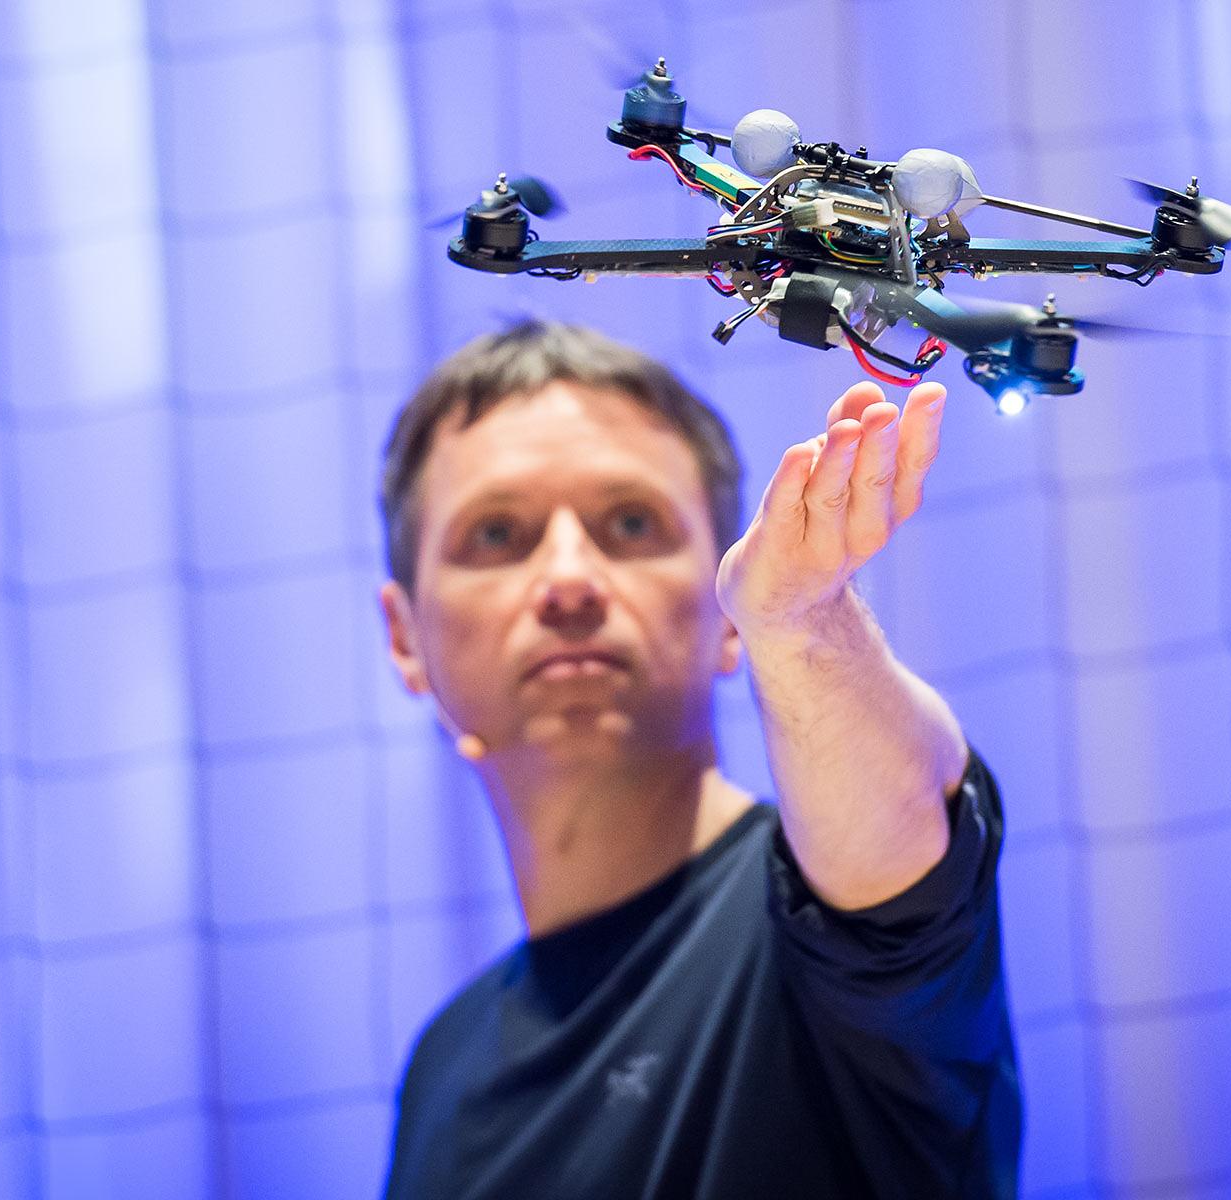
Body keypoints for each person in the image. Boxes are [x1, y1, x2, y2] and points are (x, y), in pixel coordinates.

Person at [377, 320, 1020, 1198]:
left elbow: (908, 825)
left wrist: (799, 622)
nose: (569, 578)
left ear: (725, 612)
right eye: (495, 535)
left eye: (631, 522)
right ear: (404, 638)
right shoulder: (442, 1069)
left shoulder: (828, 931)